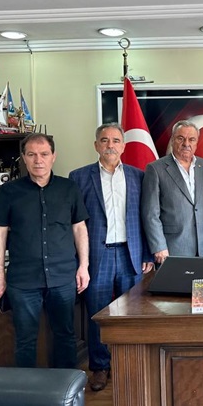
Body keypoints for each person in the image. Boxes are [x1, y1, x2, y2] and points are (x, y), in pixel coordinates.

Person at [0, 133, 90, 368]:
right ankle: (28, 389)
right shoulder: (9, 191)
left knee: (65, 336)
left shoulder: (68, 188)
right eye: (31, 154)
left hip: (62, 277)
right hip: (23, 280)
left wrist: (83, 266)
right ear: (23, 158)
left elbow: (79, 229)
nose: (38, 160)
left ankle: (66, 387)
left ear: (53, 156)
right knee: (25, 340)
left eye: (44, 154)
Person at [69, 123, 154, 391]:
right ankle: (100, 367)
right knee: (98, 314)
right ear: (96, 145)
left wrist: (148, 253)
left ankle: (130, 364)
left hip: (131, 254)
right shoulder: (79, 177)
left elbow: (146, 217)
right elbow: (74, 222)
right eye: (104, 140)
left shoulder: (138, 176)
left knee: (132, 314)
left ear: (123, 146)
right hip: (98, 255)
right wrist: (80, 262)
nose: (110, 145)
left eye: (116, 140)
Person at [142, 120, 203, 263]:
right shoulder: (155, 169)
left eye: (191, 139)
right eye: (181, 138)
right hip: (172, 249)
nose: (186, 143)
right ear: (172, 140)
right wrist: (159, 246)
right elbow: (150, 213)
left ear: (197, 142)